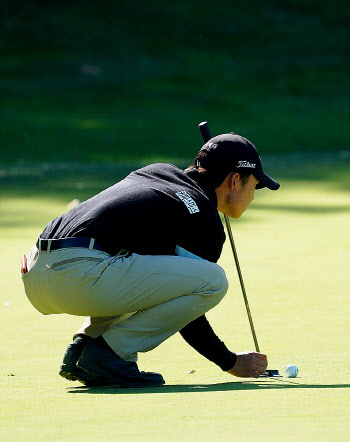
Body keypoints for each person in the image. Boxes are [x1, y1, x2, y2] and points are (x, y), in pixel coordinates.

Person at [21, 132, 280, 388]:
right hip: (78, 273)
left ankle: (82, 349)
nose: (254, 195)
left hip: (36, 271)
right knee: (213, 281)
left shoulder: (157, 173)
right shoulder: (205, 221)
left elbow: (154, 282)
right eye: (255, 185)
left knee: (140, 266)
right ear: (235, 180)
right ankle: (110, 354)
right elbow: (189, 311)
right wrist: (229, 361)